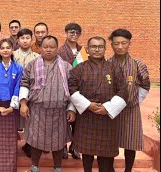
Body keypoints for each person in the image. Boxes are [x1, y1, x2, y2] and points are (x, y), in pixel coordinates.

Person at [68, 36, 128, 172]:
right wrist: (88, 105)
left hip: (107, 117)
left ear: (105, 49)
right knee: (87, 153)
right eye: (93, 46)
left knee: (106, 156)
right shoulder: (79, 68)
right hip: (87, 116)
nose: (97, 49)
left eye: (100, 47)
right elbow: (71, 88)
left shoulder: (114, 68)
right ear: (87, 49)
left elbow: (123, 91)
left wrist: (107, 108)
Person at [19, 35, 76, 172]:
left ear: (57, 48)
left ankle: (57, 168)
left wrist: (71, 108)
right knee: (35, 140)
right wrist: (23, 104)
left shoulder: (67, 67)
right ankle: (34, 166)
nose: (48, 50)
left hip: (59, 112)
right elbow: (24, 83)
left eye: (52, 47)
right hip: (37, 111)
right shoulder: (32, 65)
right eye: (45, 47)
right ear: (41, 48)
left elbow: (73, 89)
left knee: (58, 142)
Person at [108, 29, 151, 172]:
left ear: (129, 43)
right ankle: (110, 168)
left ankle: (128, 169)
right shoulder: (107, 64)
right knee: (110, 141)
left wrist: (135, 100)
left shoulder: (138, 64)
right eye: (116, 43)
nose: (120, 47)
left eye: (123, 43)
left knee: (130, 142)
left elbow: (145, 85)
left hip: (131, 110)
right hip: (111, 110)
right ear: (112, 45)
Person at [0, 38, 23, 171]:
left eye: (8, 47)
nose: (6, 50)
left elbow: (18, 88)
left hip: (11, 108)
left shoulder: (18, 67)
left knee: (9, 140)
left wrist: (11, 107)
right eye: (3, 48)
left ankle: (9, 168)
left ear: (12, 49)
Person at [13, 28, 40, 158]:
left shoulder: (37, 57)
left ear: (31, 40)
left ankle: (29, 145)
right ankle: (11, 145)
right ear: (18, 40)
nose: (25, 40)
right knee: (13, 121)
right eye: (22, 38)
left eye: (27, 38)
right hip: (13, 92)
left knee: (30, 121)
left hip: (31, 93)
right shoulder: (12, 55)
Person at [57, 22, 83, 159]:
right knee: (63, 120)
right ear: (66, 33)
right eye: (71, 32)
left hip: (80, 90)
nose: (74, 35)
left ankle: (75, 146)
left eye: (76, 33)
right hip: (64, 88)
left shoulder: (83, 50)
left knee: (78, 121)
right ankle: (62, 147)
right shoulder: (60, 51)